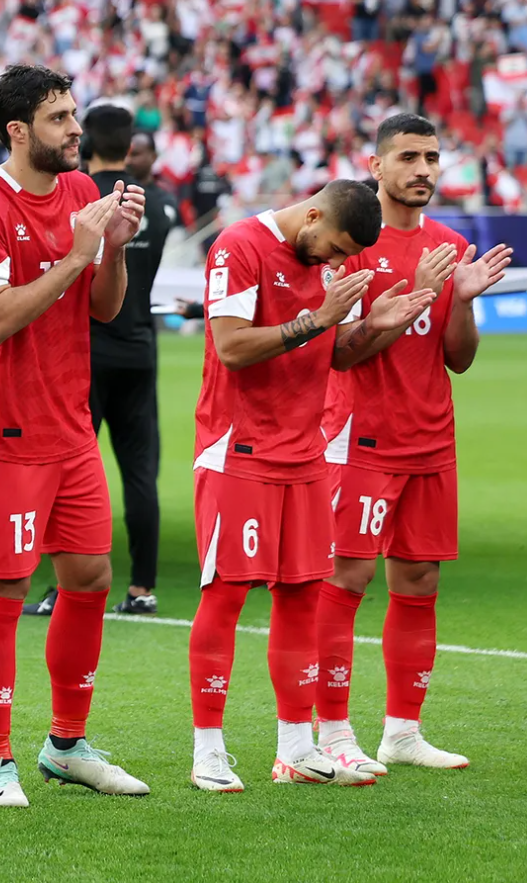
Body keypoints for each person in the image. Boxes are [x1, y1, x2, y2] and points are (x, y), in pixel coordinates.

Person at [186, 179, 436, 792]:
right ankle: (208, 752)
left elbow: (338, 356)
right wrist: (316, 319)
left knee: (301, 596)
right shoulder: (239, 245)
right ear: (313, 212)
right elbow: (232, 347)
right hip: (238, 450)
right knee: (228, 594)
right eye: (330, 248)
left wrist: (373, 327)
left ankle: (296, 748)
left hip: (305, 454)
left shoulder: (333, 267)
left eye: (341, 256)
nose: (332, 261)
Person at [0, 64, 151, 806]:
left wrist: (114, 245)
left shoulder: (80, 193)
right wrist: (73, 254)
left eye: (74, 114)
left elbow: (99, 308)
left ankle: (65, 744)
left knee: (90, 577)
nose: (76, 129)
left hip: (65, 424)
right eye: (61, 117)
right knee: (0, 587)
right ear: (18, 130)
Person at [315, 114, 512, 774]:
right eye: (407, 156)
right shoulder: (352, 245)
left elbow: (457, 358)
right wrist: (405, 304)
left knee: (419, 582)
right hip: (361, 437)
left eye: (431, 156)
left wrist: (456, 301)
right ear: (375, 166)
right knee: (347, 577)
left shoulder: (452, 243)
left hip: (430, 440)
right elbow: (338, 355)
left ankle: (402, 730)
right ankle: (334, 731)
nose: (423, 169)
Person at [51, 109, 177, 616]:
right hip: (140, 347)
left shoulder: (77, 197)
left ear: (87, 141)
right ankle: (141, 588)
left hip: (87, 347)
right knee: (140, 473)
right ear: (131, 145)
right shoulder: (160, 205)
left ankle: (64, 585)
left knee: (72, 470)